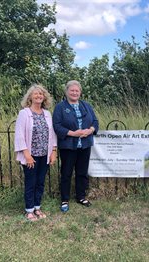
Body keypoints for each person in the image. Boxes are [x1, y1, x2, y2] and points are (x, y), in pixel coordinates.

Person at [53, 80, 99, 212]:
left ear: (80, 92)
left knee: (82, 173)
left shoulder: (86, 106)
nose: (74, 93)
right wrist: (73, 133)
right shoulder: (60, 107)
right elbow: (57, 126)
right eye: (72, 90)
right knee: (66, 173)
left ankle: (81, 197)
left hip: (84, 145)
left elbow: (95, 121)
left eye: (77, 90)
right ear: (66, 92)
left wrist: (90, 130)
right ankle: (64, 199)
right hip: (68, 146)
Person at [14, 84, 57, 221]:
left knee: (40, 182)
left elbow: (52, 134)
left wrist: (53, 151)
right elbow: (19, 135)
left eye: (41, 94)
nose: (38, 96)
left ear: (44, 97)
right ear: (30, 97)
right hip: (30, 156)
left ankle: (37, 208)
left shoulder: (47, 113)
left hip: (44, 154)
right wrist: (27, 155)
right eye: (36, 94)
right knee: (30, 182)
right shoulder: (24, 113)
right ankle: (29, 211)